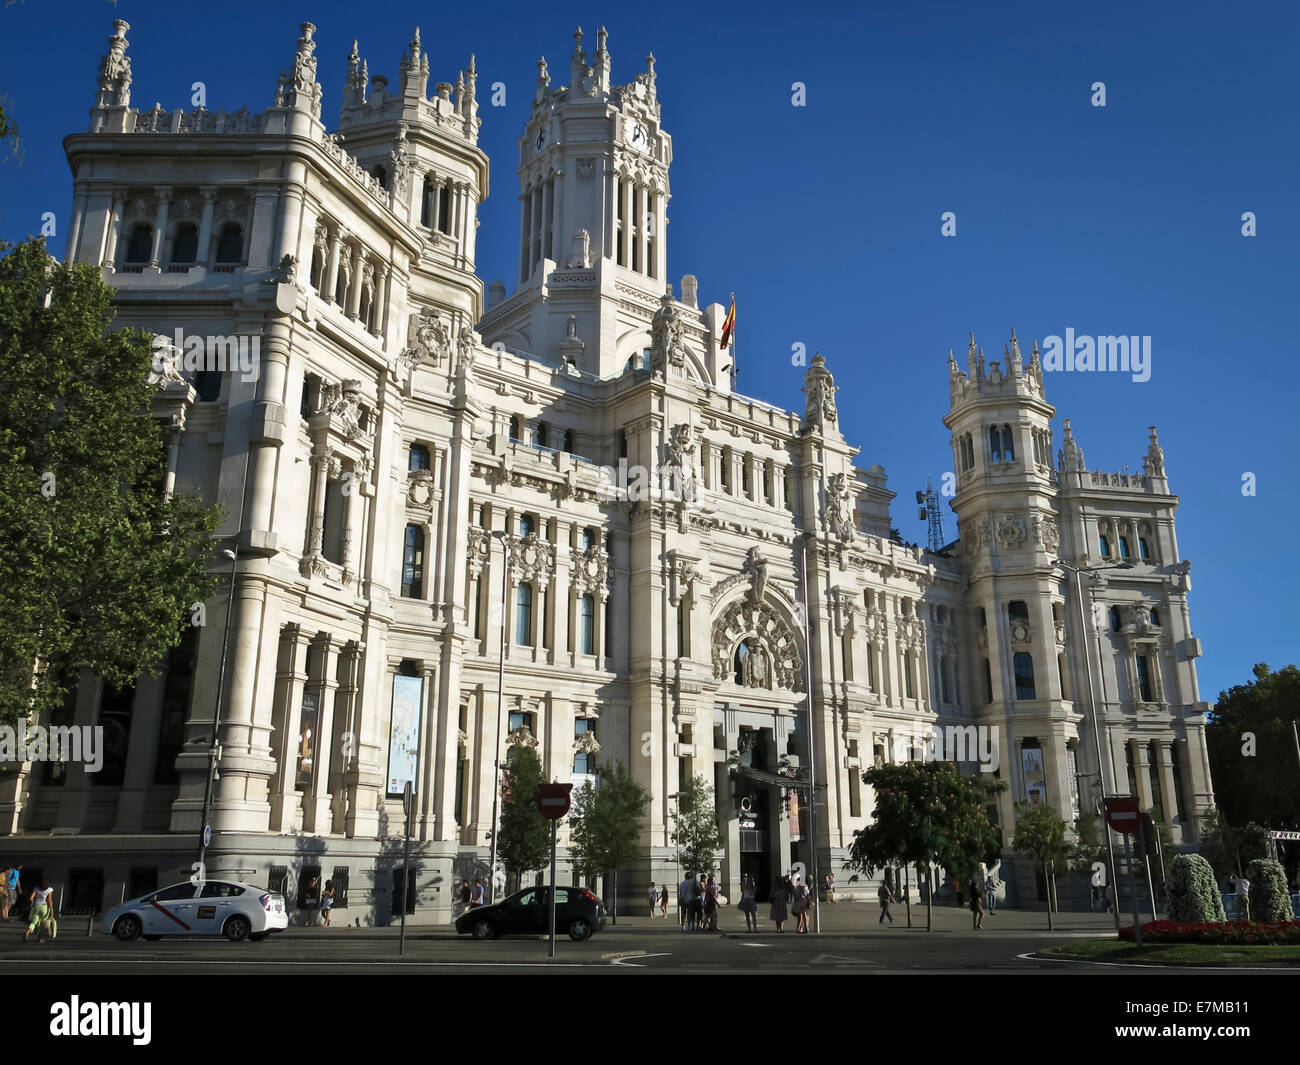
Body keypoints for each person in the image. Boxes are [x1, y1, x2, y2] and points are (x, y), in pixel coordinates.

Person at [24, 878, 56, 943]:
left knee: (34, 922)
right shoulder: (49, 889)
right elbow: (49, 900)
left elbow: (31, 898)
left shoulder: (36, 888)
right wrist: (52, 911)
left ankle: (27, 932)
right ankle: (39, 938)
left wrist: (34, 903)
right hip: (44, 908)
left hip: (36, 906)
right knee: (43, 924)